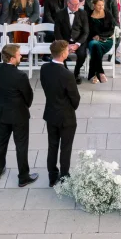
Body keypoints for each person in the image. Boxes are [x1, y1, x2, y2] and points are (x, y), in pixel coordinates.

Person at [0, 43, 37, 187]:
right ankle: (23, 177)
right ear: (11, 58)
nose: (21, 56)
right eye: (18, 54)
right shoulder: (20, 76)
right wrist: (26, 106)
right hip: (19, 115)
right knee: (21, 145)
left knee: (1, 142)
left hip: (2, 112)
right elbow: (28, 95)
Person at [40, 40, 81, 186]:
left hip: (51, 113)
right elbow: (75, 98)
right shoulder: (67, 74)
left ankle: (52, 176)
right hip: (66, 116)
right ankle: (64, 176)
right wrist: (71, 108)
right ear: (63, 54)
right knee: (65, 148)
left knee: (52, 146)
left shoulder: (44, 68)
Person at [54, 0, 89, 81]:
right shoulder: (59, 13)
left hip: (79, 40)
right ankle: (66, 73)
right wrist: (65, 45)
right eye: (74, 4)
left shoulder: (83, 13)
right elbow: (57, 32)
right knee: (60, 53)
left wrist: (77, 44)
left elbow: (86, 32)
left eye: (77, 4)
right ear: (68, 3)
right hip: (64, 41)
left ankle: (76, 73)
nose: (76, 6)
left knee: (82, 54)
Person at [86, 0, 115, 83]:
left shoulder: (108, 14)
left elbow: (111, 30)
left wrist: (100, 36)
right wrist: (94, 37)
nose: (101, 7)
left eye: (102, 5)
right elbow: (86, 30)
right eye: (99, 5)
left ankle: (95, 74)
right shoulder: (88, 15)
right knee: (95, 44)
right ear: (94, 5)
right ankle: (100, 72)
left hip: (107, 40)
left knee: (96, 47)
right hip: (92, 40)